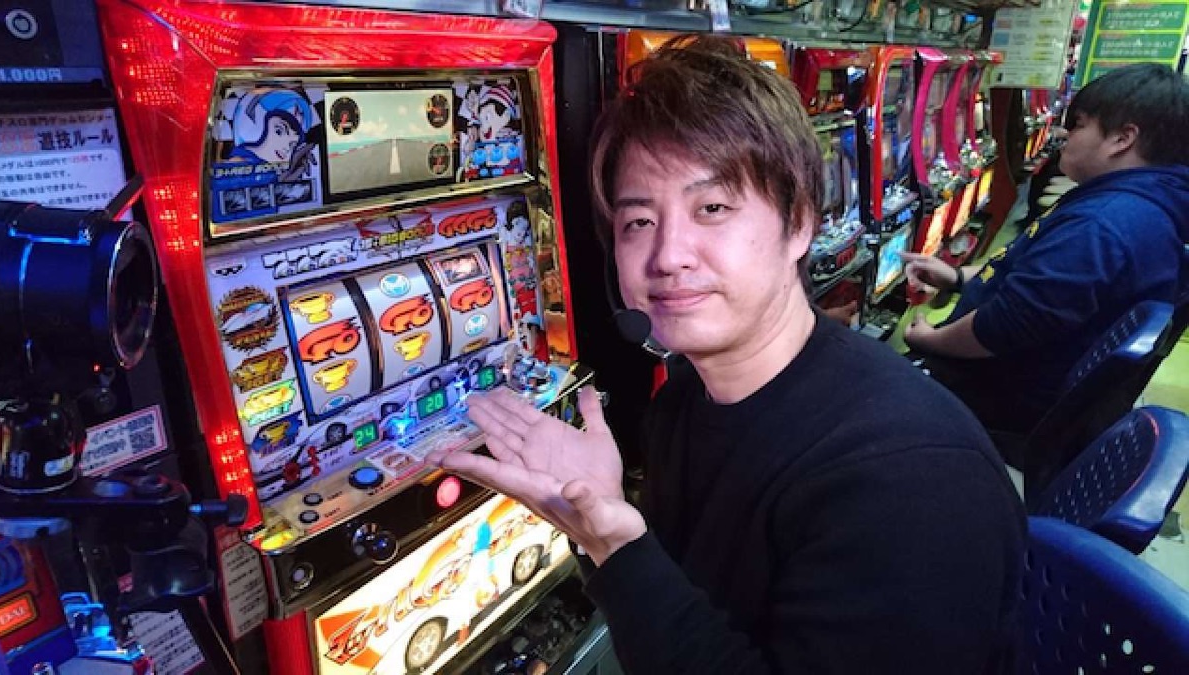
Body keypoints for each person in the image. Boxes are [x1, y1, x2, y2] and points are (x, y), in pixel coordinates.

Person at [431, 36, 1024, 674]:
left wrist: (615, 547)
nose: (668, 255)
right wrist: (600, 520)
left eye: (711, 208)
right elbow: (689, 616)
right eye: (639, 222)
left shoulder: (911, 480)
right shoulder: (689, 397)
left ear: (800, 223)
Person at [903, 63, 1189, 435]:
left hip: (993, 402)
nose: (1060, 133)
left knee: (846, 366)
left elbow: (1007, 325)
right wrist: (958, 277)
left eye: (1078, 125)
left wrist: (931, 340)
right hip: (1023, 386)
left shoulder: (1103, 224)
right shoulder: (1137, 204)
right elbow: (1036, 279)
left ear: (1122, 139)